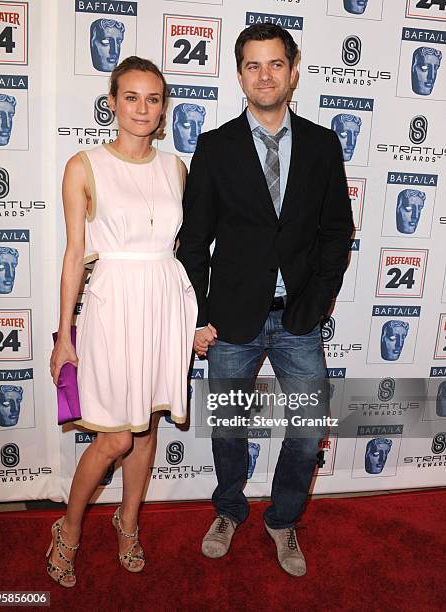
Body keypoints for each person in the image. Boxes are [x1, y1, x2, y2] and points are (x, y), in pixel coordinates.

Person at [177, 24, 353, 577]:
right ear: (239, 75)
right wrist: (201, 316)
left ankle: (283, 518)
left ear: (293, 68)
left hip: (298, 318)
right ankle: (229, 508)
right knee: (229, 429)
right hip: (231, 320)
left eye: (275, 64)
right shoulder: (215, 146)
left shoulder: (324, 145)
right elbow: (194, 240)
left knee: (306, 430)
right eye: (253, 66)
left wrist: (319, 301)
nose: (265, 75)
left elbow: (335, 232)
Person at [48, 56, 197, 588]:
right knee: (113, 437)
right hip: (113, 306)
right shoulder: (83, 165)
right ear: (112, 102)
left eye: (153, 99)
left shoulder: (175, 166)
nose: (142, 108)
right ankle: (67, 528)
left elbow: (179, 246)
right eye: (131, 97)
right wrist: (65, 335)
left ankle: (128, 522)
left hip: (162, 304)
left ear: (163, 109)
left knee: (148, 424)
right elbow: (73, 256)